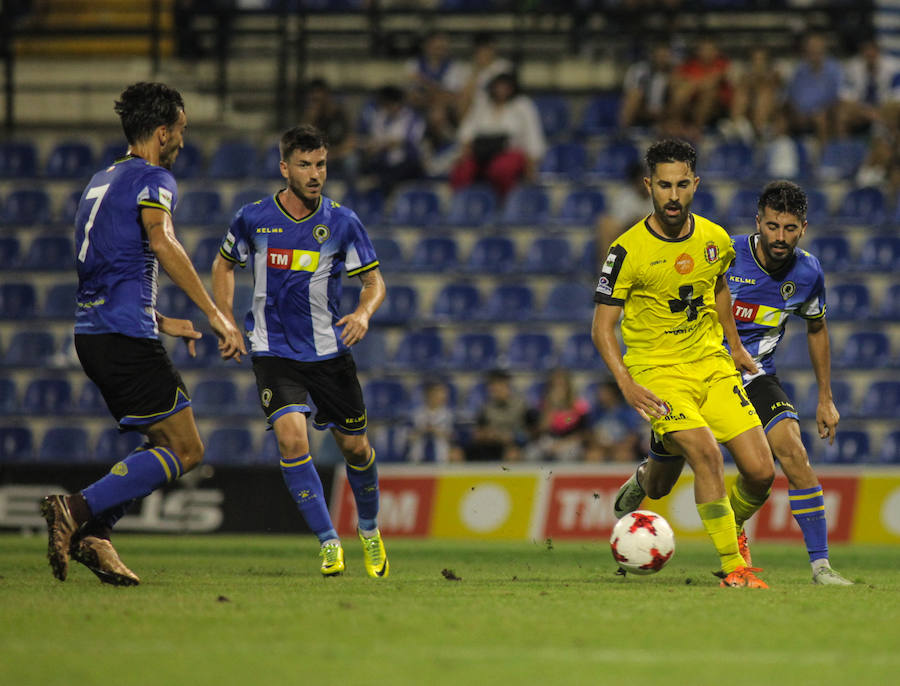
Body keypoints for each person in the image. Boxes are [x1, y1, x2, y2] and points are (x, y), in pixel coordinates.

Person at [39, 82, 246, 586]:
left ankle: (96, 535)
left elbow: (105, 266)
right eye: (181, 131)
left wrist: (159, 319)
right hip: (123, 338)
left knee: (161, 441)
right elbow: (162, 239)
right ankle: (76, 509)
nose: (182, 140)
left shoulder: (100, 180)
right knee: (187, 450)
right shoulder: (154, 178)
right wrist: (218, 312)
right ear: (161, 132)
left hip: (96, 332)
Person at [593, 139, 775, 588]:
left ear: (695, 184)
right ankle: (735, 567)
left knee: (760, 472)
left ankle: (650, 469)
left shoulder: (714, 238)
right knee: (707, 456)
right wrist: (626, 383)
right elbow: (601, 327)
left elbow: (718, 291)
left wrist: (733, 346)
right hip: (658, 375)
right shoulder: (626, 250)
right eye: (663, 186)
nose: (673, 196)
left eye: (681, 185)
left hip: (711, 365)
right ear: (648, 186)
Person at [211, 124, 390, 579]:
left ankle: (368, 529)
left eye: (322, 164)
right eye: (306, 165)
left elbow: (373, 281)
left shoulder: (342, 221)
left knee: (356, 447)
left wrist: (365, 313)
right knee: (293, 439)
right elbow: (223, 265)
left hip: (329, 353)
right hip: (273, 352)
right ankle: (330, 543)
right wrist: (225, 319)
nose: (315, 174)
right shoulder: (252, 219)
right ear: (284, 167)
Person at [724, 180, 853, 585]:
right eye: (773, 226)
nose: (780, 237)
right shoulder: (725, 255)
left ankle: (821, 568)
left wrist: (826, 399)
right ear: (757, 222)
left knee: (795, 454)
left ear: (804, 228)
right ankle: (646, 477)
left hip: (756, 374)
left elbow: (817, 328)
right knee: (666, 469)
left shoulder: (809, 272)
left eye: (790, 229)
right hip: (705, 370)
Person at [450, 71, 546, 197]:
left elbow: (533, 135)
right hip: (481, 152)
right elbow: (467, 131)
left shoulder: (523, 105)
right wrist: (464, 150)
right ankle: (461, 205)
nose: (501, 90)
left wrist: (531, 161)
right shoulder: (482, 104)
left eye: (505, 87)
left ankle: (503, 205)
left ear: (512, 88)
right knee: (462, 170)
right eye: (498, 86)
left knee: (500, 170)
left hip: (509, 152)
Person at [358, 85, 426, 194]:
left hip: (407, 161)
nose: (386, 108)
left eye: (388, 105)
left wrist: (385, 144)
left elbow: (409, 141)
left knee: (408, 165)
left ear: (397, 103)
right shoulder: (381, 116)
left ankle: (379, 181)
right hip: (385, 162)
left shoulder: (413, 118)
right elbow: (375, 140)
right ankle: (376, 182)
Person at [785, 32, 842, 142]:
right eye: (811, 48)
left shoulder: (834, 69)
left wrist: (820, 110)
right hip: (801, 113)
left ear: (824, 49)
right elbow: (791, 95)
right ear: (806, 50)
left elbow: (836, 96)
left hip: (826, 112)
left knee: (822, 119)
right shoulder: (799, 70)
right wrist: (798, 111)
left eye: (817, 48)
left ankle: (824, 156)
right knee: (781, 120)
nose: (814, 52)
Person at [465, 369, 530, 462]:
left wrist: (512, 437)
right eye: (491, 385)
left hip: (515, 445)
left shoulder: (521, 405)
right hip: (491, 446)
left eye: (497, 385)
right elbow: (477, 433)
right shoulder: (486, 408)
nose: (493, 388)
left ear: (506, 385)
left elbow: (530, 431)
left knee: (512, 454)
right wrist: (488, 435)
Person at [408, 379, 463, 463]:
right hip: (418, 458)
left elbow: (455, 438)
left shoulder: (449, 415)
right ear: (429, 395)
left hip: (442, 458)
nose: (443, 396)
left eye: (444, 393)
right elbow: (408, 437)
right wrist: (422, 430)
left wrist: (437, 431)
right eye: (438, 393)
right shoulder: (416, 414)